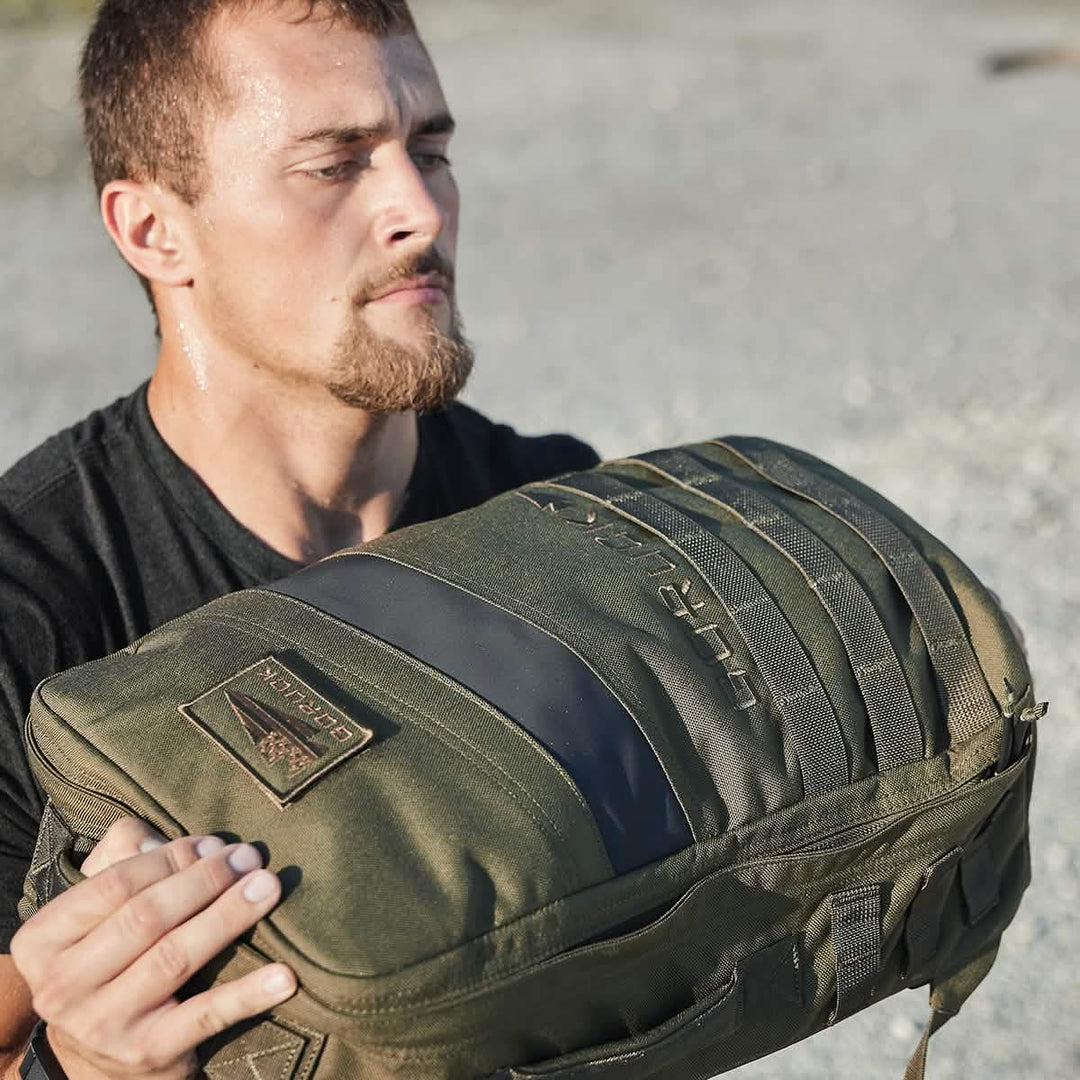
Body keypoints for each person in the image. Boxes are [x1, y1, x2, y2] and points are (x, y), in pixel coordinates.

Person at [0, 2, 599, 1077]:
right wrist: (83, 1067)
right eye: (334, 166)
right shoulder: (31, 609)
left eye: (432, 149)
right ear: (153, 230)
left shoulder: (550, 519)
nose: (419, 210)